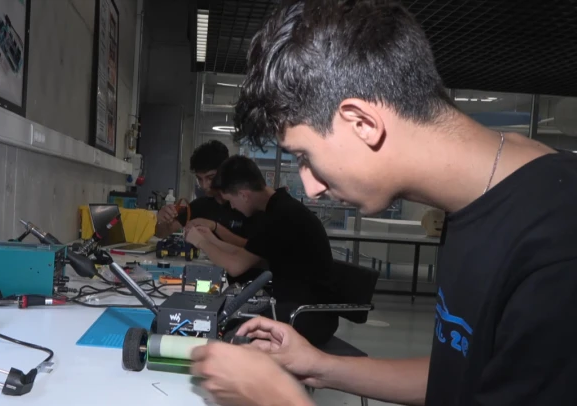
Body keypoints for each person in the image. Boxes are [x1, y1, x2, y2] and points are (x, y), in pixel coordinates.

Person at [189, 1, 577, 405]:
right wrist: (317, 365)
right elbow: (463, 373)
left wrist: (276, 399)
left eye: (305, 157)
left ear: (363, 123)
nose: (311, 188)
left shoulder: (558, 246)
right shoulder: (475, 199)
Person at [185, 155, 340, 346]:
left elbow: (235, 266)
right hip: (299, 307)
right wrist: (210, 238)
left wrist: (201, 242)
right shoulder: (279, 207)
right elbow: (243, 254)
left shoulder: (279, 217)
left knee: (226, 330)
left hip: (306, 316)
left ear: (244, 195)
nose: (232, 207)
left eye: (231, 201)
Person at [154, 140, 256, 247]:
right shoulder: (199, 206)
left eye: (210, 178)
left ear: (225, 171)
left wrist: (215, 227)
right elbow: (162, 234)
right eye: (199, 179)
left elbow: (253, 248)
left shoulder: (245, 205)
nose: (204, 186)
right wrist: (162, 220)